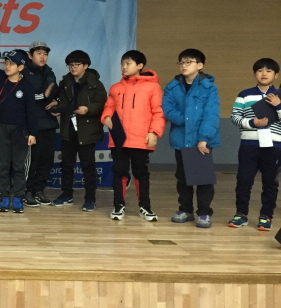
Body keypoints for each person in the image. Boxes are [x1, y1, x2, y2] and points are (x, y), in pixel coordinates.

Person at [101, 50, 165, 222]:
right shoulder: (116, 88)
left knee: (141, 173)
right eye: (122, 63)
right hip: (119, 139)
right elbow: (109, 106)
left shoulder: (152, 87)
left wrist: (154, 132)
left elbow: (158, 112)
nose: (124, 66)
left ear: (140, 65)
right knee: (119, 173)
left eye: (128, 63)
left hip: (140, 139)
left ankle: (145, 207)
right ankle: (118, 205)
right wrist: (106, 116)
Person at [162, 48, 221, 229]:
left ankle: (204, 212)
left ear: (200, 65)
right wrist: (186, 120)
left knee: (203, 179)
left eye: (189, 62)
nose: (184, 65)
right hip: (181, 139)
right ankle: (185, 210)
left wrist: (203, 138)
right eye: (181, 62)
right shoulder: (172, 87)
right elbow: (167, 109)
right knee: (183, 178)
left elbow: (211, 114)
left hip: (202, 139)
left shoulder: (209, 87)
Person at [49, 50, 107, 212]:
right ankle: (66, 194)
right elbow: (63, 102)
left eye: (77, 64)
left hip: (87, 129)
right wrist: (58, 108)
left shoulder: (95, 83)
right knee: (66, 164)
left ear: (86, 66)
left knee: (88, 165)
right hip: (68, 128)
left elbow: (102, 103)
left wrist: (88, 109)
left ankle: (90, 198)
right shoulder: (65, 82)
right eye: (70, 65)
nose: (73, 68)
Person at [228, 57, 281, 231]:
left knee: (270, 183)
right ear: (254, 74)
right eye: (259, 70)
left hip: (274, 145)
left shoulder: (279, 96)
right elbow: (235, 117)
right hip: (249, 144)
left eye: (268, 71)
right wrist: (252, 123)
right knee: (244, 180)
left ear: (276, 75)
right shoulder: (245, 94)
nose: (264, 73)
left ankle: (266, 216)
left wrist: (279, 106)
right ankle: (240, 214)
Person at [0, 49, 38, 213]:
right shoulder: (0, 83)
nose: (7, 66)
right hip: (1, 128)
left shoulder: (27, 86)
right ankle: (5, 196)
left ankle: (19, 197)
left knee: (19, 166)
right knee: (3, 165)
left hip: (21, 130)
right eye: (6, 63)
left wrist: (32, 133)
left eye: (11, 64)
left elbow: (32, 111)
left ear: (20, 67)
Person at [24, 40, 59, 207]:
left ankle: (39, 190)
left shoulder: (49, 72)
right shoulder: (23, 72)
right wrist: (44, 96)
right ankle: (27, 191)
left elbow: (52, 93)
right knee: (32, 161)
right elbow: (31, 96)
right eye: (39, 53)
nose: (42, 57)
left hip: (49, 122)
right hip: (31, 124)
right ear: (30, 56)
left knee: (46, 160)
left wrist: (54, 100)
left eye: (45, 54)